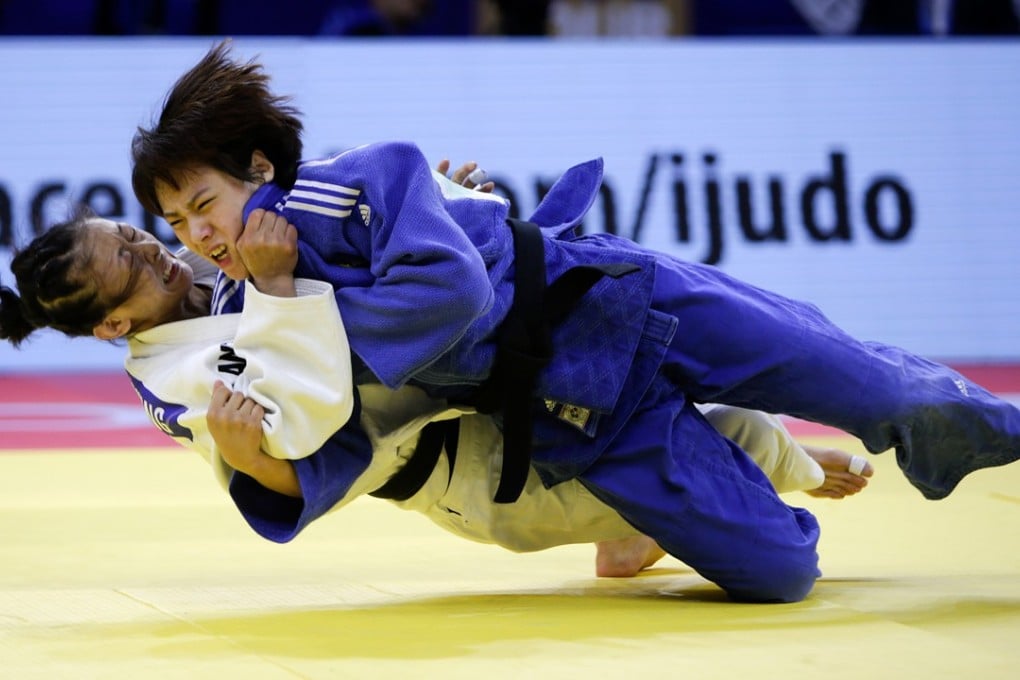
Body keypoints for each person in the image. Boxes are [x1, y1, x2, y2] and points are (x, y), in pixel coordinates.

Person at [128, 39, 1020, 602]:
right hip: (578, 412)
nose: (201, 237)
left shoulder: (366, 174)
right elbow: (327, 423)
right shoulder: (261, 313)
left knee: (878, 386)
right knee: (783, 576)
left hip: (628, 301)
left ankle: (999, 432)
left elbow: (453, 298)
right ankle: (705, 481)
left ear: (259, 167)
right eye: (178, 225)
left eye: (206, 203)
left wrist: (302, 312)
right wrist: (260, 427)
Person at [0, 208, 870, 583]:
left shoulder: (214, 265)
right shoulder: (173, 377)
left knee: (645, 357)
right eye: (134, 266)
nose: (160, 252)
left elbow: (355, 269)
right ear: (115, 328)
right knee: (744, 438)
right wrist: (244, 458)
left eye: (134, 235)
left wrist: (439, 218)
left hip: (486, 396)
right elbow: (296, 438)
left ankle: (640, 529)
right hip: (478, 473)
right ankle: (741, 485)